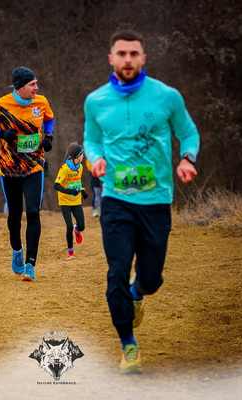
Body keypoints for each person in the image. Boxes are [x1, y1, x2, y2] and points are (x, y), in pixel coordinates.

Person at [83, 29, 200, 374]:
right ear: (111, 59)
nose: (128, 59)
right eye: (121, 53)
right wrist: (95, 158)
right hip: (116, 200)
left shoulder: (167, 97)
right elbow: (91, 139)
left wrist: (187, 158)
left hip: (156, 201)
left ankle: (138, 294)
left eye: (134, 53)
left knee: (151, 279)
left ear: (143, 58)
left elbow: (188, 132)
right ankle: (128, 344)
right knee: (117, 272)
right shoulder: (96, 101)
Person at [0, 66, 54, 282]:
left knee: (33, 213)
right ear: (21, 87)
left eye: (36, 83)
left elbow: (49, 119)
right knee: (14, 216)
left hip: (34, 166)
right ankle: (17, 250)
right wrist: (2, 133)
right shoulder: (1, 105)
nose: (36, 88)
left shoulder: (41, 102)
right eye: (32, 84)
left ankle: (30, 265)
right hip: (9, 169)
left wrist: (49, 136)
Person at [53, 143, 88, 259]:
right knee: (68, 226)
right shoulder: (64, 168)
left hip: (76, 201)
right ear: (76, 156)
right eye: (82, 154)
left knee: (82, 226)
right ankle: (70, 251)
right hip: (65, 201)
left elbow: (78, 182)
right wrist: (70, 191)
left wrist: (82, 191)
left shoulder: (80, 167)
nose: (83, 156)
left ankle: (77, 230)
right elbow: (56, 186)